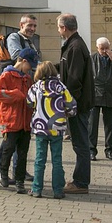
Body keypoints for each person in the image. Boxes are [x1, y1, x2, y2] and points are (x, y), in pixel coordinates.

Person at [26, 61, 76, 199]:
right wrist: (64, 113)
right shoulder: (61, 87)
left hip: (40, 127)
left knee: (39, 159)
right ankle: (58, 190)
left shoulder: (36, 87)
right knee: (57, 160)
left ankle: (36, 189)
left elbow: (29, 102)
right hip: (57, 127)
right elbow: (72, 107)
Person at [57, 13, 93, 194]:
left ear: (64, 27)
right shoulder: (73, 45)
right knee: (80, 143)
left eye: (58, 27)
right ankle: (80, 180)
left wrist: (69, 103)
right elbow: (66, 69)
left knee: (80, 144)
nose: (58, 30)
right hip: (78, 103)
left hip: (78, 105)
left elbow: (74, 79)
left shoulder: (75, 47)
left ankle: (80, 183)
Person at [0, 54, 34, 194]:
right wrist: (15, 94)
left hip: (25, 121)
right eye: (30, 65)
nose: (30, 69)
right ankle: (2, 172)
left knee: (23, 154)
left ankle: (19, 181)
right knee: (8, 149)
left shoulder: (27, 78)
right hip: (10, 120)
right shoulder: (6, 76)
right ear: (23, 61)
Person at [88, 37, 112, 161]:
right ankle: (91, 150)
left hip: (110, 95)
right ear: (97, 48)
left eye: (106, 48)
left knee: (109, 125)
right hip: (95, 95)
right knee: (92, 125)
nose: (104, 51)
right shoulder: (91, 59)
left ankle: (110, 151)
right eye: (101, 48)